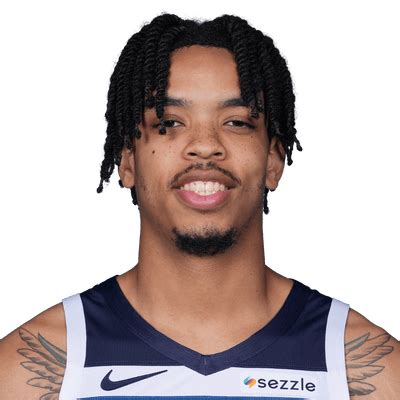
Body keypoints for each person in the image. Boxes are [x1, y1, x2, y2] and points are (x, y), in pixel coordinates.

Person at [0, 12, 398, 400]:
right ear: (127, 161)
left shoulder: (362, 371)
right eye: (169, 122)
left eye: (237, 122)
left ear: (274, 161)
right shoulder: (34, 371)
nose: (205, 146)